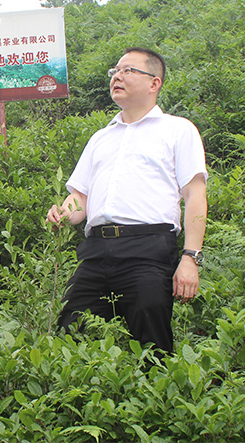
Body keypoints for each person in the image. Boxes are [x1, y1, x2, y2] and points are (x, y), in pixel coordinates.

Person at [46, 47, 208, 354]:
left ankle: (157, 396)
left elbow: (195, 195)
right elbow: (80, 197)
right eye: (115, 71)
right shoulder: (101, 138)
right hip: (95, 250)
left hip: (149, 249)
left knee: (151, 341)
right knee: (69, 334)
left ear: (154, 83)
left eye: (128, 70)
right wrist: (63, 213)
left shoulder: (178, 130)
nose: (117, 76)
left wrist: (190, 257)